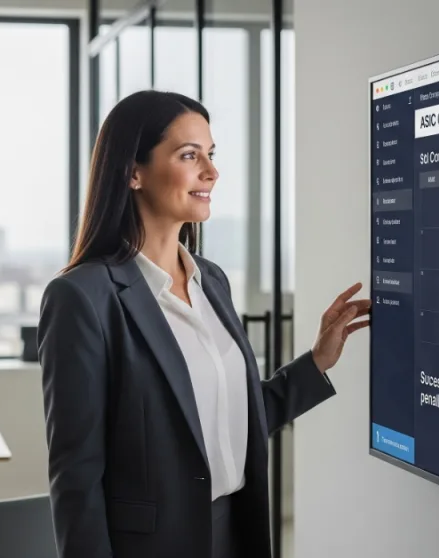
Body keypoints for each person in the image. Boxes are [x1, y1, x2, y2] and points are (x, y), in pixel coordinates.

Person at [38, 90, 370, 558]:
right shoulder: (82, 297)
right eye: (189, 155)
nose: (211, 173)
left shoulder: (210, 280)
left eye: (211, 155)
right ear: (133, 171)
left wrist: (316, 362)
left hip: (235, 531)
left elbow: (230, 422)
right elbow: (76, 478)